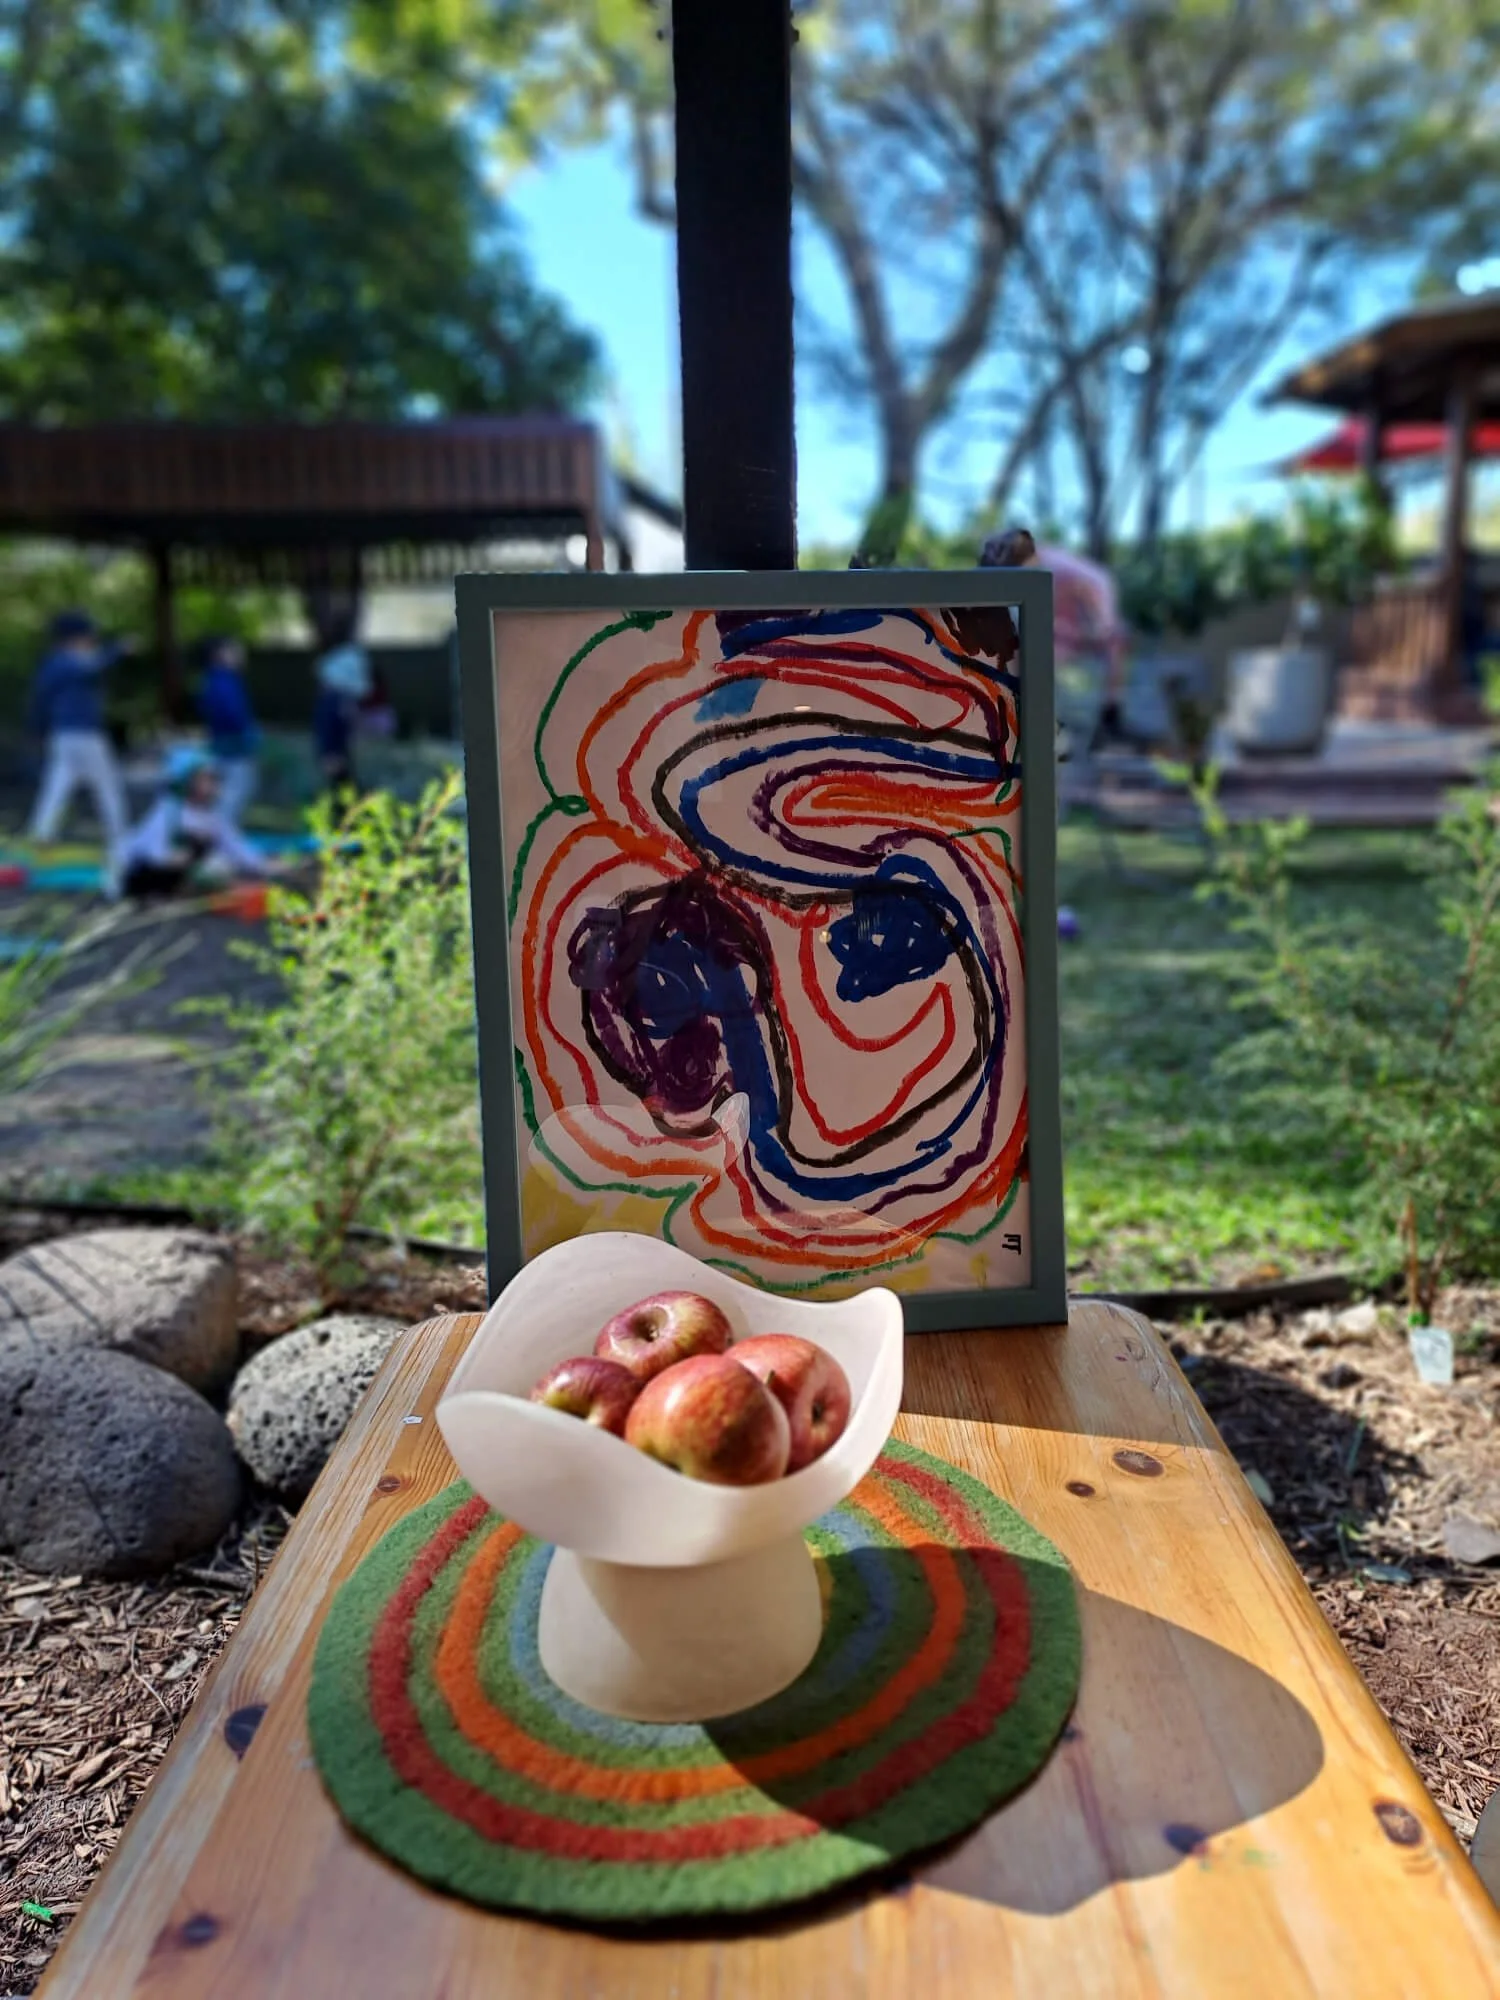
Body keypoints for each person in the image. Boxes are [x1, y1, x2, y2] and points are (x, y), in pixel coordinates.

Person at [980, 526, 1131, 741]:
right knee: (1027, 651)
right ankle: (1033, 714)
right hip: (1079, 615)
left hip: (1091, 613)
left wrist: (1095, 625)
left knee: (1030, 653)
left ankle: (1104, 715)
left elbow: (1081, 588)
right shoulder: (1037, 561)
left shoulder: (1048, 565)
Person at [26, 611, 130, 878]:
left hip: (63, 735)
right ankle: (120, 839)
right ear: (75, 638)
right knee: (108, 785)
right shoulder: (69, 661)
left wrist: (38, 728)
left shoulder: (52, 663)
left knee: (59, 783)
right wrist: (118, 650)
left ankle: (41, 833)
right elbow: (94, 667)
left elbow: (42, 698)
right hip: (84, 735)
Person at [117, 747, 278, 902]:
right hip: (146, 874)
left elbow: (236, 847)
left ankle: (182, 890)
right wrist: (180, 858)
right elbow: (152, 853)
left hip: (182, 870)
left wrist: (263, 865)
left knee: (218, 866)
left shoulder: (211, 817)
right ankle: (156, 895)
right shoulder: (169, 811)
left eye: (212, 779)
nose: (211, 785)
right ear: (185, 781)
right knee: (208, 867)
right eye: (203, 779)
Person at [195, 635, 261, 826]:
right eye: (232, 650)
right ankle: (220, 838)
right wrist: (247, 733)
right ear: (219, 655)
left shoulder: (215, 679)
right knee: (235, 793)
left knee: (224, 793)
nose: (238, 654)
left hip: (224, 743)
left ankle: (219, 836)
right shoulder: (223, 681)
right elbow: (231, 713)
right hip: (233, 745)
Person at [313, 615, 372, 793]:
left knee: (340, 770)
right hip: (340, 713)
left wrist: (329, 752)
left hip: (338, 712)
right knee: (341, 771)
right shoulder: (351, 657)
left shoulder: (341, 661)